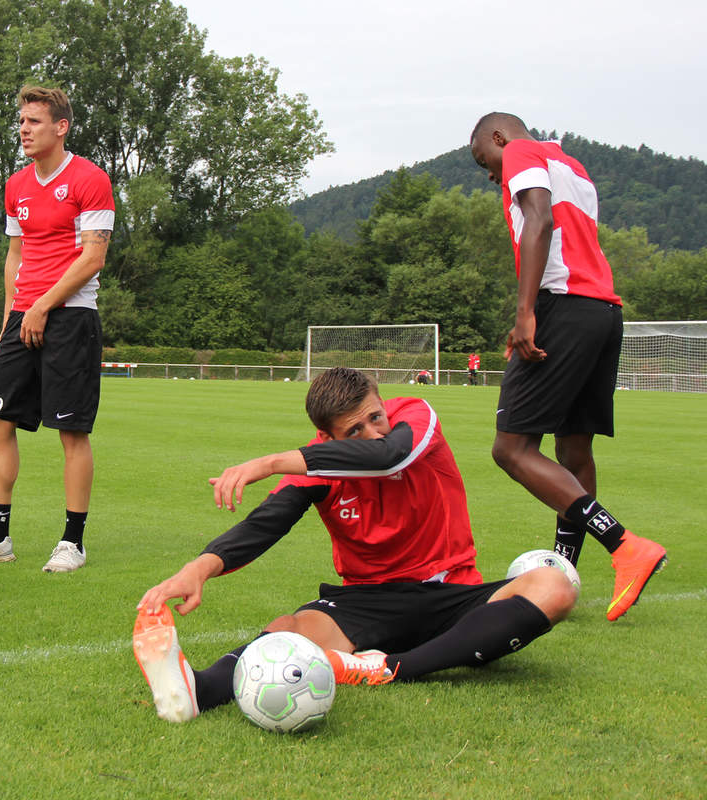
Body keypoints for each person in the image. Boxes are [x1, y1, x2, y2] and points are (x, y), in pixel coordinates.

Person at [132, 367, 577, 723]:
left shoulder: (416, 419)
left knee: (555, 585)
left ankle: (390, 668)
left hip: (449, 591)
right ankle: (199, 690)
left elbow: (387, 458)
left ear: (383, 402)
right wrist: (198, 569)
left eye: (375, 417)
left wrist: (268, 462)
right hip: (369, 602)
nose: (373, 432)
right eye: (355, 430)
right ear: (327, 440)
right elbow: (265, 524)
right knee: (293, 627)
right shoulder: (319, 467)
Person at [469, 112, 666, 621]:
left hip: (562, 306)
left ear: (497, 138)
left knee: (510, 449)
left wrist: (525, 311)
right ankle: (565, 569)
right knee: (574, 448)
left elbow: (540, 219)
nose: (490, 173)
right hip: (603, 310)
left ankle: (625, 546)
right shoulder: (574, 167)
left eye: (482, 161)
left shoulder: (519, 153)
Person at [0, 85, 114, 573]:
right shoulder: (16, 185)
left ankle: (72, 542)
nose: (23, 129)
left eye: (34, 121)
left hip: (71, 314)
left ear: (61, 127)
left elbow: (94, 256)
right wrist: (9, 320)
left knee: (71, 432)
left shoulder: (90, 179)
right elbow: (15, 257)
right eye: (21, 120)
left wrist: (43, 306)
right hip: (24, 315)